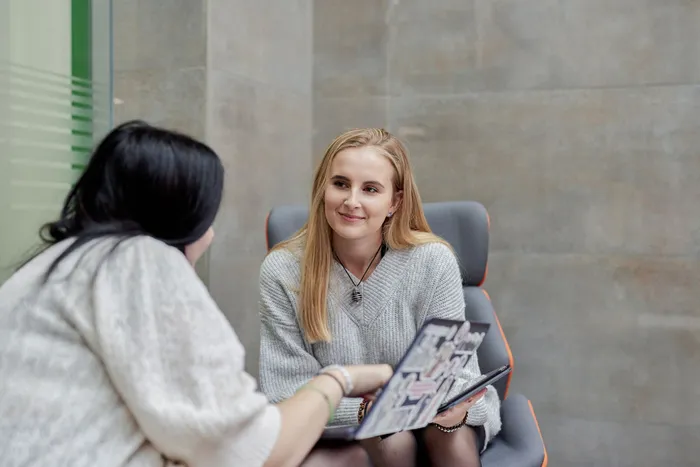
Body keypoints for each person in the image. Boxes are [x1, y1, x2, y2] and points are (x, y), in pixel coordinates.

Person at [0, 121, 393, 467]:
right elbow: (247, 451)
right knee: (344, 459)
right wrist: (341, 379)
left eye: (371, 189)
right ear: (183, 212)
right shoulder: (138, 261)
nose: (211, 232)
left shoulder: (57, 264)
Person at [258, 128, 502, 467]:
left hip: (438, 419)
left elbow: (459, 374)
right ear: (322, 189)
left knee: (451, 438)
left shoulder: (432, 260)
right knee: (390, 438)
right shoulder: (283, 270)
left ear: (395, 202)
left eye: (370, 189)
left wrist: (453, 409)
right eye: (340, 184)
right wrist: (364, 409)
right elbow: (286, 391)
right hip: (344, 423)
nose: (351, 201)